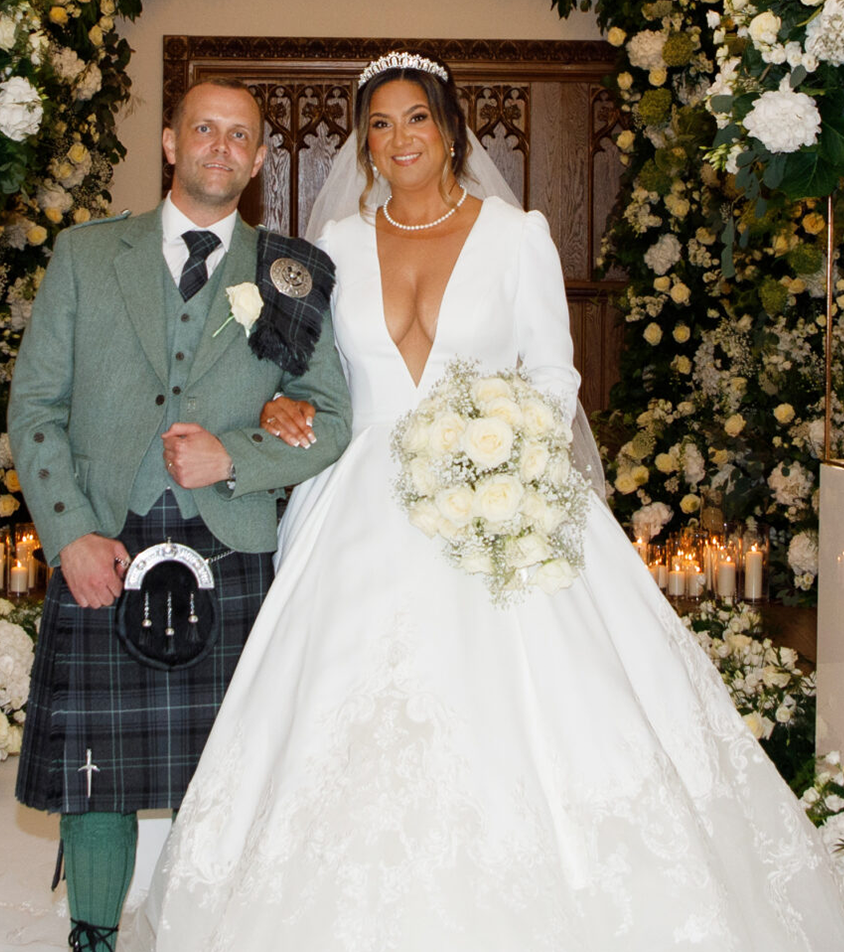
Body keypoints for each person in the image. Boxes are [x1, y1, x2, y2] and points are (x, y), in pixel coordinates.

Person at [122, 54, 844, 950]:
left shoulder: (517, 233)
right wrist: (286, 403)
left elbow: (553, 373)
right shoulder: (336, 246)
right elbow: (312, 374)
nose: (398, 141)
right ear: (365, 142)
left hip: (496, 489)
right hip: (357, 505)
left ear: (452, 127)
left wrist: (489, 450)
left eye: (415, 119)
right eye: (379, 125)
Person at [7, 78, 352, 952]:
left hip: (229, 542)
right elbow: (36, 406)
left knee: (232, 768)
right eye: (204, 129)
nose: (221, 147)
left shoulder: (290, 273)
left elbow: (333, 417)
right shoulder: (88, 255)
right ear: (169, 141)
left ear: (261, 157)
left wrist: (237, 455)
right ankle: (93, 937)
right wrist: (70, 533)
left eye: (240, 136)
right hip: (103, 536)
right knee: (98, 772)